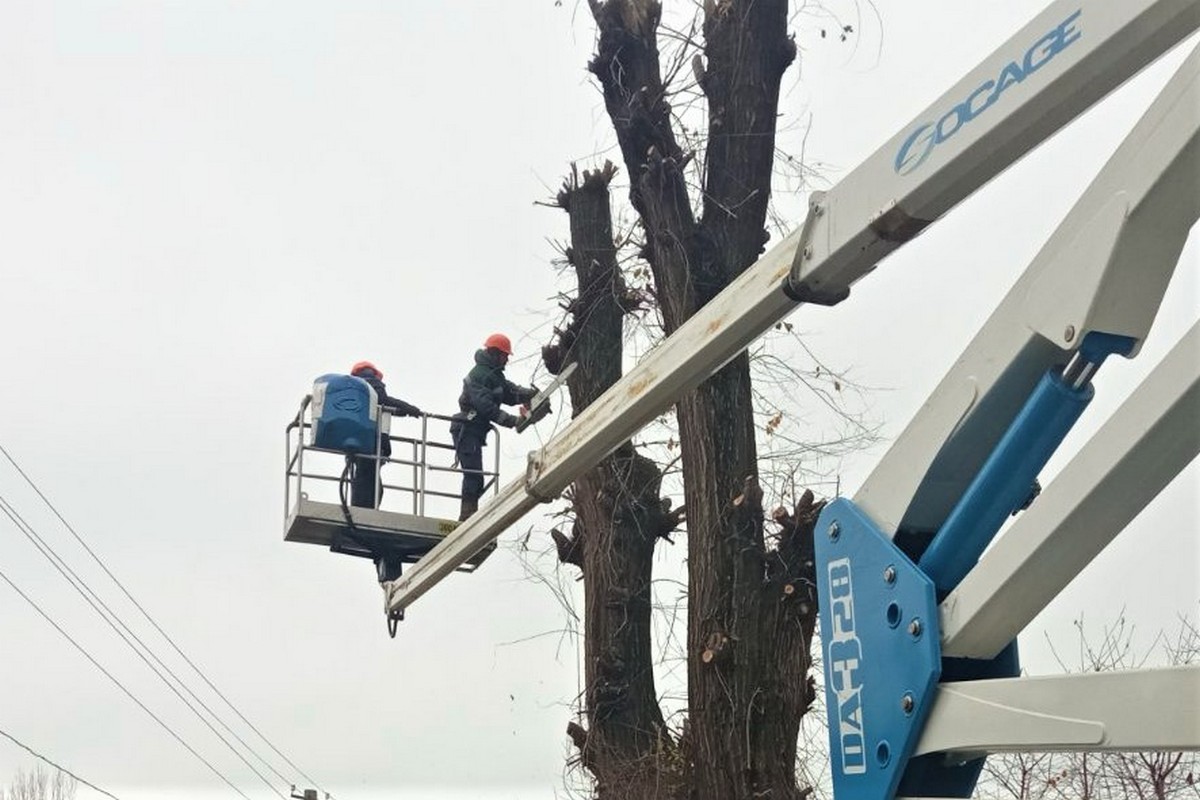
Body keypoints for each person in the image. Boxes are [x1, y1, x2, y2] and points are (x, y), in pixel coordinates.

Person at [450, 334, 538, 521]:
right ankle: (466, 518)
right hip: (466, 428)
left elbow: (509, 391)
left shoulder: (494, 375)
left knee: (476, 477)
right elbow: (486, 407)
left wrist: (529, 395)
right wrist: (512, 420)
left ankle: (469, 516)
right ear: (495, 353)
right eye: (505, 355)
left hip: (474, 430)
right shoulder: (479, 374)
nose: (507, 359)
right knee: (473, 475)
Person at [347, 360, 422, 509]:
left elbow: (380, 407)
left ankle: (359, 508)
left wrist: (402, 411)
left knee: (363, 478)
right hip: (371, 441)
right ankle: (363, 510)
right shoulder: (371, 383)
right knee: (369, 481)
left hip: (356, 441)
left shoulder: (354, 391)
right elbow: (383, 401)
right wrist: (408, 408)